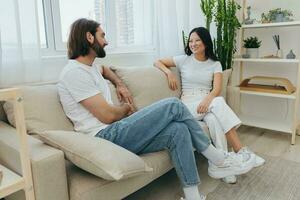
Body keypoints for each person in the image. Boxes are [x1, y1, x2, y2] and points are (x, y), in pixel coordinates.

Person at [58, 19, 256, 200]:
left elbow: (105, 69)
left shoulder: (91, 67)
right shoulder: (74, 73)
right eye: (102, 36)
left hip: (118, 132)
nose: (106, 41)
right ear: (89, 37)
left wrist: (120, 83)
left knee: (179, 130)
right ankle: (218, 159)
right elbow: (108, 116)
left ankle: (193, 196)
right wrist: (126, 108)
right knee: (173, 105)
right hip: (104, 136)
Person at [154, 27, 265, 184]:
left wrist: (207, 100)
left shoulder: (215, 64)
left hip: (207, 103)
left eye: (197, 40)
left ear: (205, 42)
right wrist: (169, 72)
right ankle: (241, 150)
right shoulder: (183, 59)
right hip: (188, 106)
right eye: (191, 41)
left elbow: (217, 89)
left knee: (213, 119)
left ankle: (221, 165)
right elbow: (157, 61)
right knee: (218, 102)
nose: (193, 44)